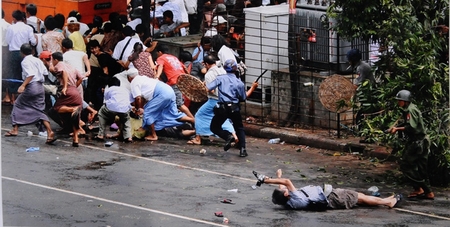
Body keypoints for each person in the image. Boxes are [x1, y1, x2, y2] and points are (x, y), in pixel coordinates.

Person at [253, 169, 402, 210]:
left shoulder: (290, 202)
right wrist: (266, 180)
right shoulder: (295, 197)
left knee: (358, 197)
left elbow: (283, 185)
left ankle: (386, 199)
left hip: (329, 197)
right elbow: (287, 182)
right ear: (286, 194)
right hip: (332, 197)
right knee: (359, 197)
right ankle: (387, 202)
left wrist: (278, 175)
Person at [4, 43, 57, 145]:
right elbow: (45, 73)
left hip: (32, 86)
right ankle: (49, 131)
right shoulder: (37, 60)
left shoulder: (25, 61)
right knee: (39, 109)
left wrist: (23, 85)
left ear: (22, 52)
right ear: (32, 51)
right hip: (40, 87)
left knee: (18, 104)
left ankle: (15, 129)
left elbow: (31, 75)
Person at [387, 90, 434, 200]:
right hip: (422, 141)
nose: (398, 103)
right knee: (421, 167)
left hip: (417, 142)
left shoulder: (410, 110)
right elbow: (409, 123)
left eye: (400, 101)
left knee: (406, 165)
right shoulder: (412, 108)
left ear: (404, 101)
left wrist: (397, 129)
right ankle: (424, 191)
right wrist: (395, 127)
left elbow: (411, 127)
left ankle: (423, 189)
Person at [206, 59, 258, 157]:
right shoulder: (239, 83)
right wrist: (253, 88)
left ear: (225, 68)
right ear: (235, 69)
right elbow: (243, 97)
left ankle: (228, 136)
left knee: (214, 127)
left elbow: (208, 88)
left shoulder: (220, 78)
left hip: (222, 108)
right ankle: (243, 149)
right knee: (239, 128)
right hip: (234, 108)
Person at [127, 68, 194, 141]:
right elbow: (143, 99)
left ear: (129, 78)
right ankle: (195, 121)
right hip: (168, 90)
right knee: (174, 114)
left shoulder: (134, 82)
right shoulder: (143, 78)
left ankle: (153, 135)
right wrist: (140, 108)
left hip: (161, 93)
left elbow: (138, 98)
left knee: (148, 113)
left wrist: (138, 109)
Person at [187, 55, 237, 145]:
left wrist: (202, 89)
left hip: (214, 99)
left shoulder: (209, 74)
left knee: (199, 115)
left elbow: (212, 90)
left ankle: (198, 138)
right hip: (226, 98)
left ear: (206, 64)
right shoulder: (222, 70)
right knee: (222, 118)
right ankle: (235, 136)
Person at [42, 52, 83, 147]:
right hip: (74, 91)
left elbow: (64, 73)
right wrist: (74, 87)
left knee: (55, 109)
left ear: (55, 60)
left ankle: (71, 110)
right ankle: (75, 139)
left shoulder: (59, 66)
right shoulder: (71, 67)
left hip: (67, 91)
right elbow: (81, 78)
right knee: (74, 117)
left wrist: (65, 87)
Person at [4, 10, 38, 105]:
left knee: (13, 74)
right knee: (25, 74)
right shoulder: (28, 28)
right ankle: (23, 98)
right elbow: (33, 42)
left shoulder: (11, 28)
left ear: (14, 18)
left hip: (13, 53)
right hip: (26, 53)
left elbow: (7, 41)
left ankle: (13, 98)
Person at [155, 44, 194, 119]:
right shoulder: (174, 57)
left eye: (157, 53)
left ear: (160, 52)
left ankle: (194, 122)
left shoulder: (161, 58)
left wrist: (156, 77)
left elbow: (160, 66)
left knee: (179, 104)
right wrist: (189, 78)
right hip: (182, 81)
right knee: (174, 103)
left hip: (174, 81)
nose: (157, 55)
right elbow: (185, 68)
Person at [95, 77, 134, 143]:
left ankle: (101, 134)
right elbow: (130, 100)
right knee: (126, 120)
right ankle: (128, 137)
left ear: (109, 85)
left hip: (111, 108)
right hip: (124, 108)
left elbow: (106, 100)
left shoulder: (108, 89)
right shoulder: (125, 90)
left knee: (101, 113)